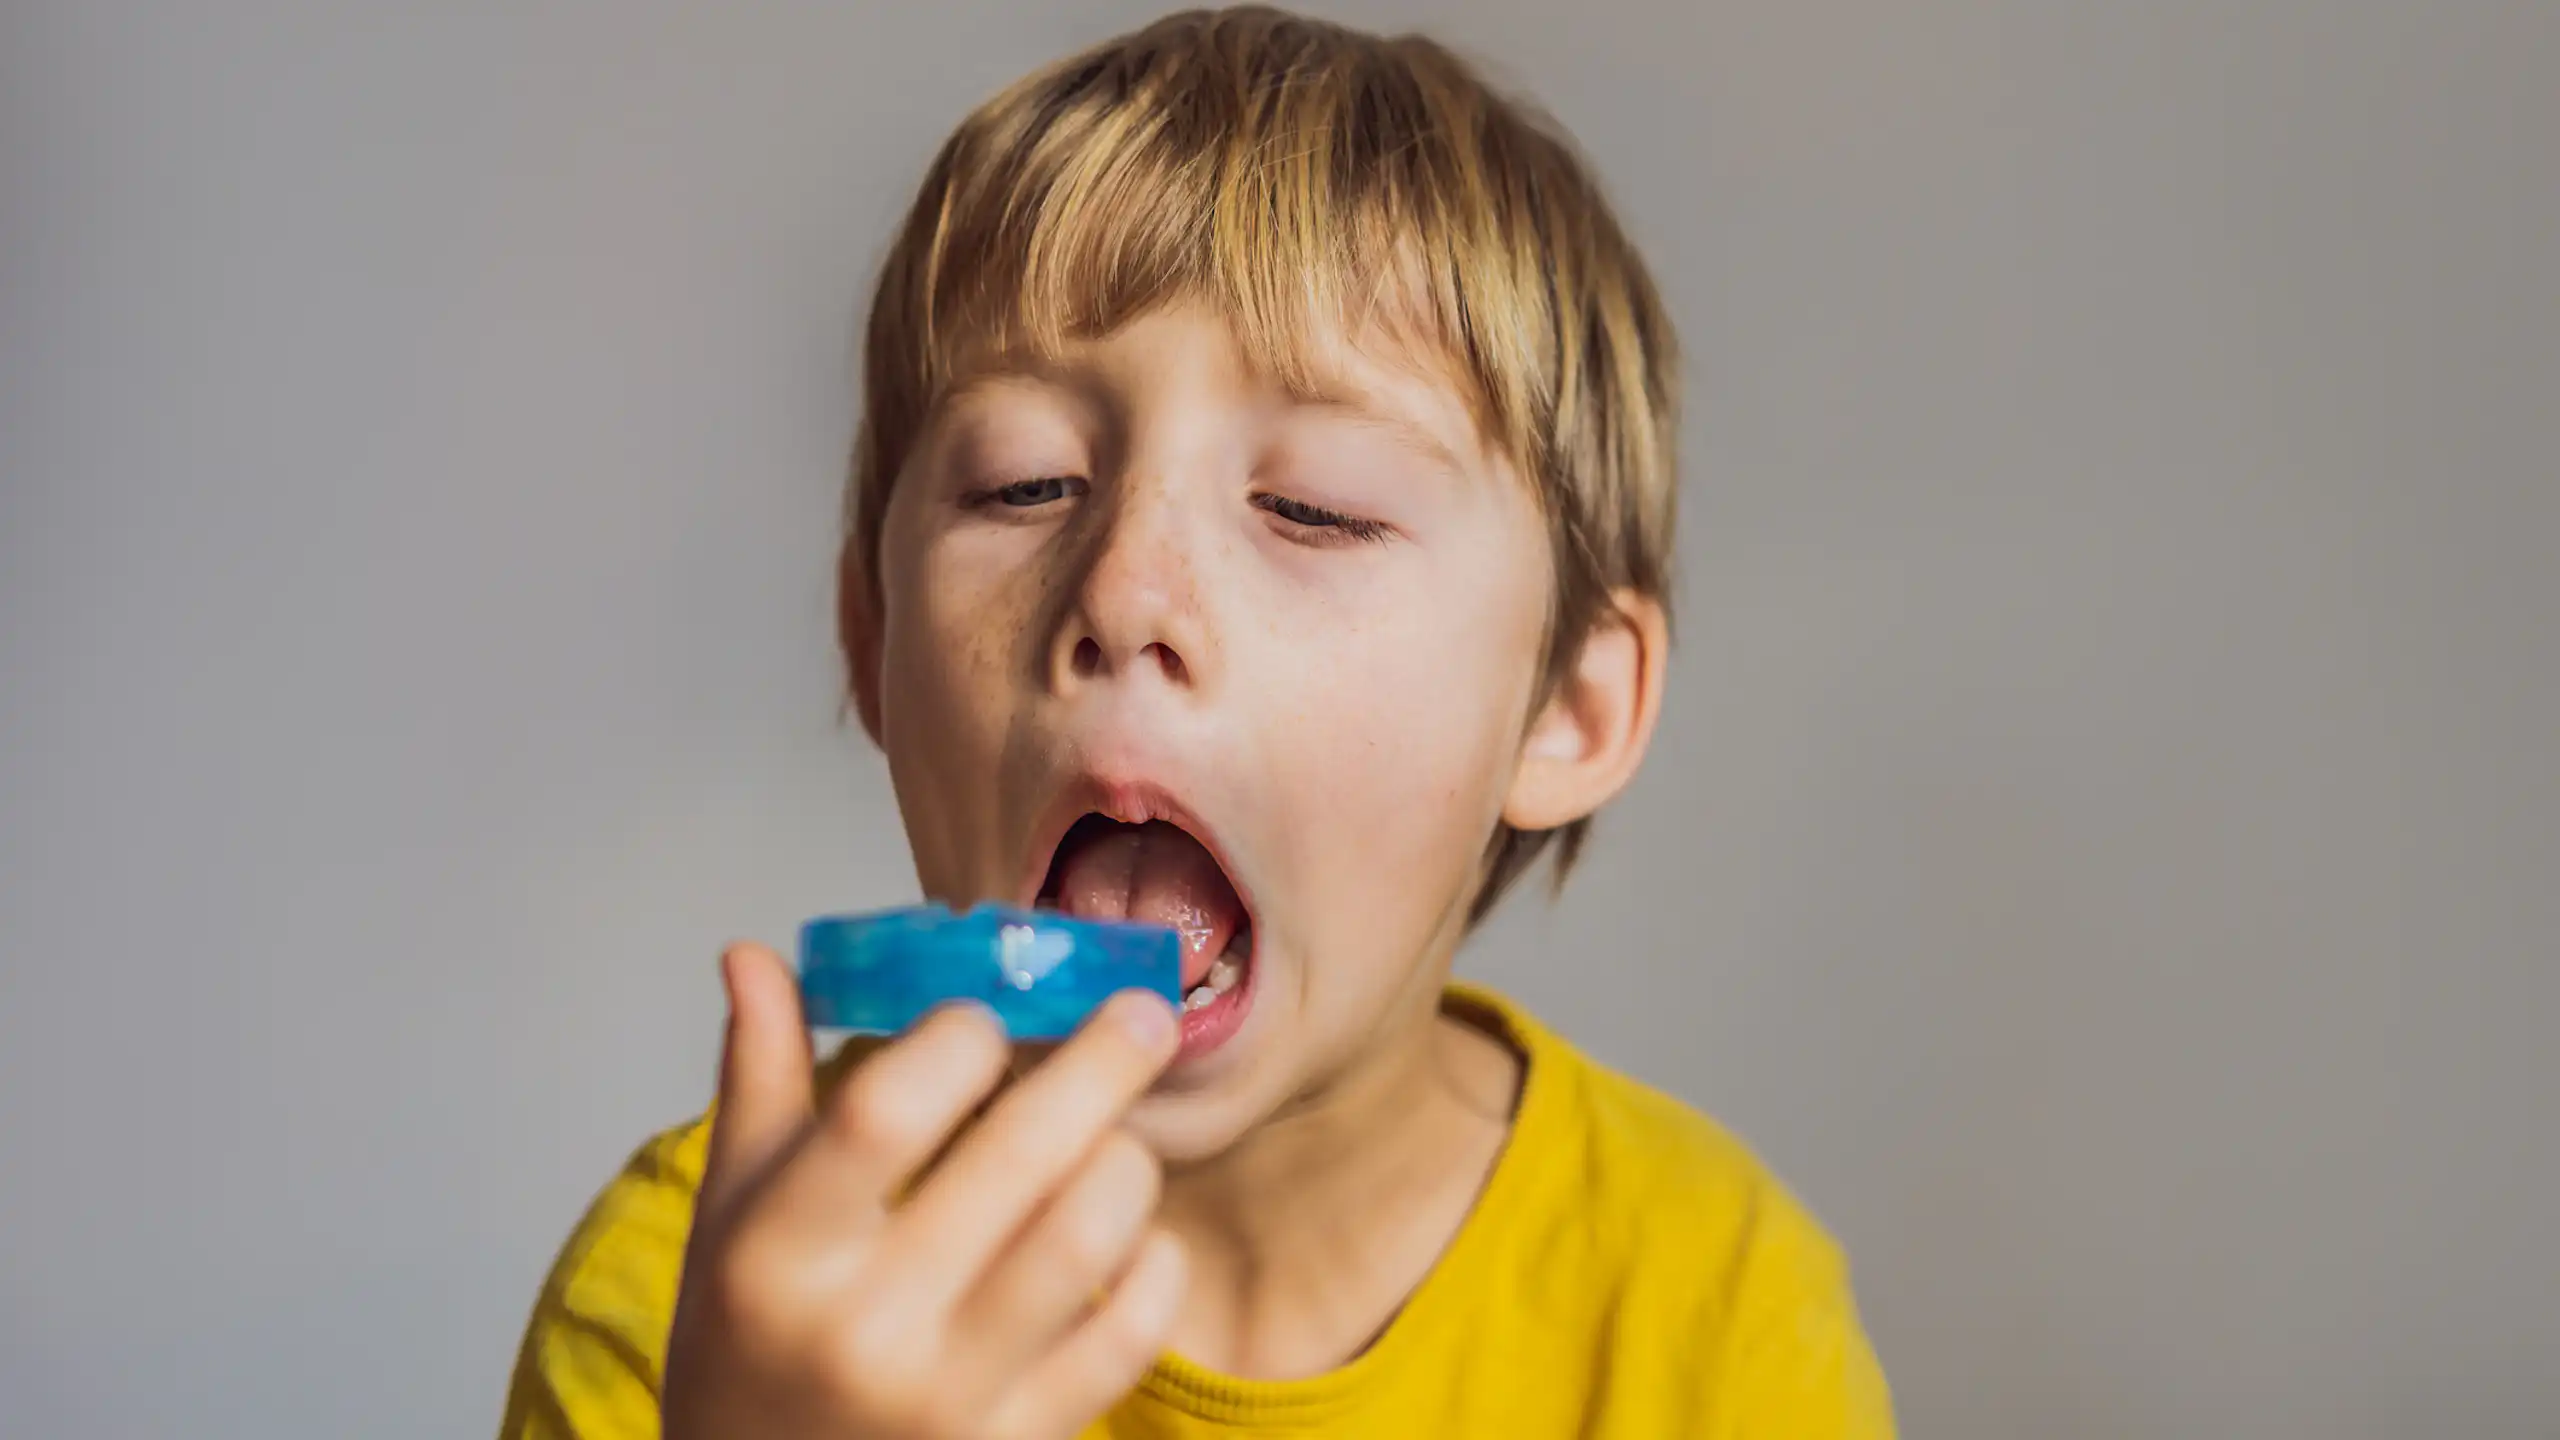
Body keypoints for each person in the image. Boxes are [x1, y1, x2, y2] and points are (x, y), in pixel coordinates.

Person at [501, 7, 1894, 1436]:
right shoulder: (692, 1311)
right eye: (1024, 484)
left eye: (1315, 510)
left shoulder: (1712, 1305)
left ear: (1565, 709)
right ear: (872, 641)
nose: (1124, 593)